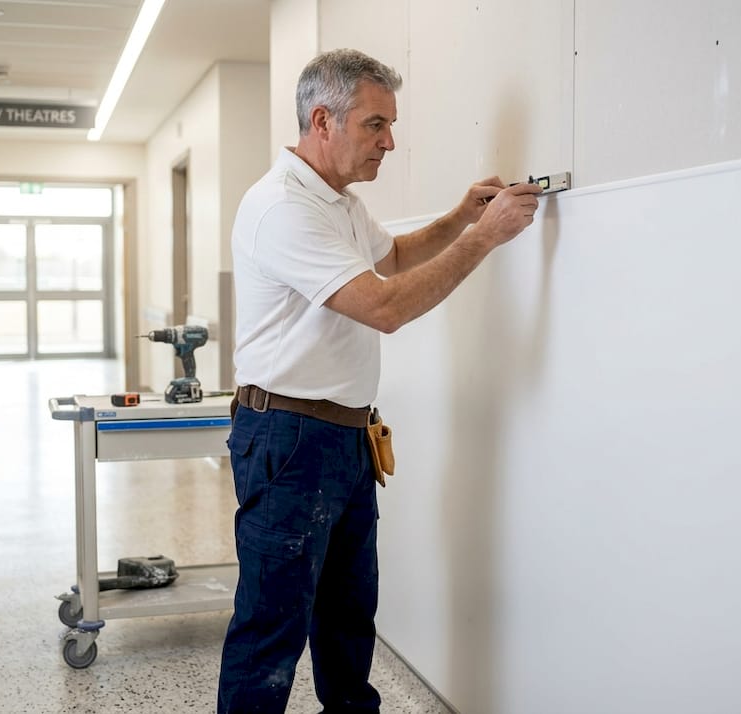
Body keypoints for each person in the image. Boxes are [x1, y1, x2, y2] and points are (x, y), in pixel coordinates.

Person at [219, 48, 542, 713]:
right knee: (271, 631)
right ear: (322, 121)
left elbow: (391, 259)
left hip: (343, 438)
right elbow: (385, 306)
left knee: (347, 621)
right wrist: (486, 241)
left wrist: (461, 220)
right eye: (375, 125)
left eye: (389, 126)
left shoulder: (335, 199)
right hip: (289, 439)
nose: (389, 142)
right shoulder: (283, 207)